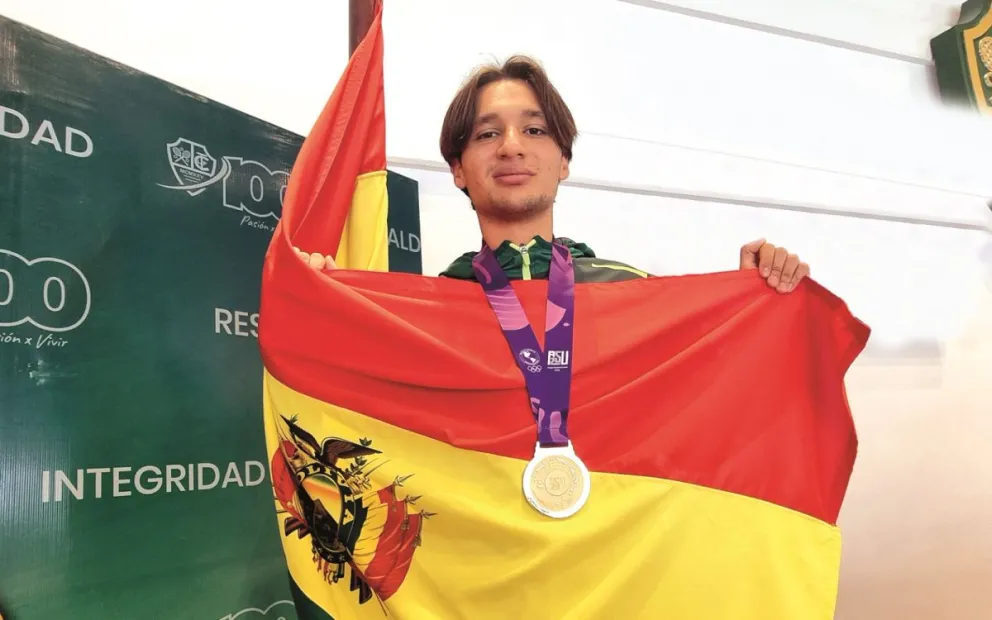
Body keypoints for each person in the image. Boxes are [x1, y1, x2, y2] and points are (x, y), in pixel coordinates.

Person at [296, 55, 810, 291]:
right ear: (458, 169)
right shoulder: (434, 310)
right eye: (486, 134)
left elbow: (711, 402)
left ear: (563, 161)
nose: (512, 147)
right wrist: (321, 308)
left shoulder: (631, 293)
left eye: (536, 131)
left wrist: (749, 300)